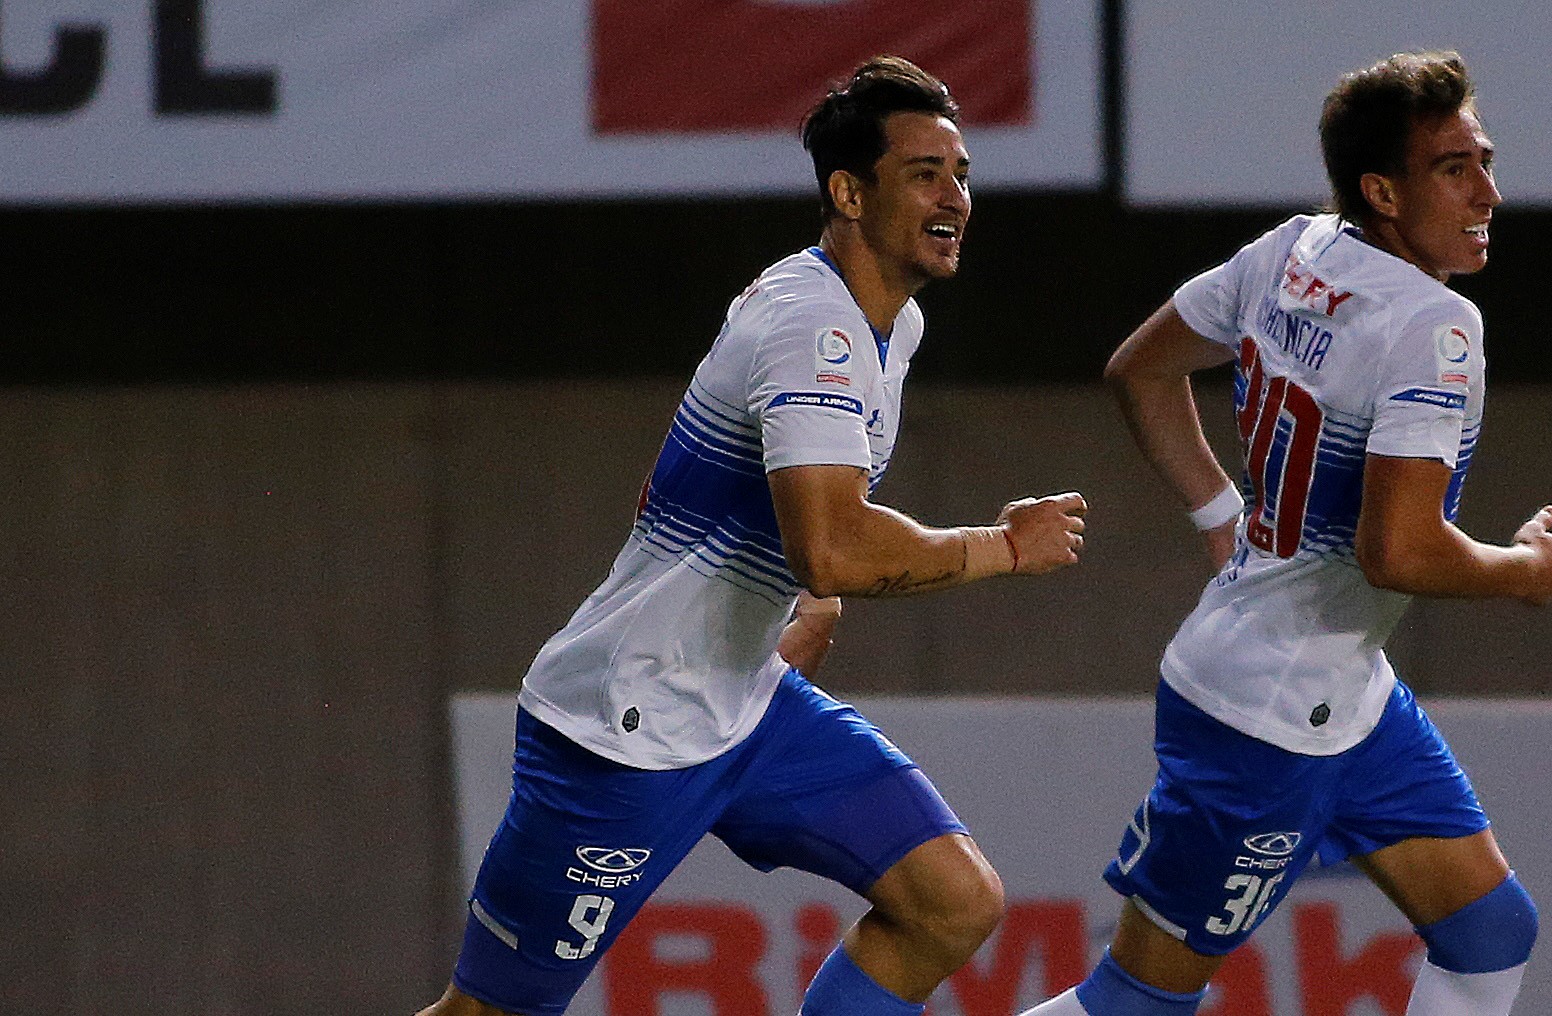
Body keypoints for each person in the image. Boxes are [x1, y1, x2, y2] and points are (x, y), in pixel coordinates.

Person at [418, 56, 1090, 1016]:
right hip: (625, 730)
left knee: (952, 903)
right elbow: (833, 548)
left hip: (747, 701)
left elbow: (790, 523)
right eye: (924, 174)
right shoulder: (811, 325)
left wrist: (788, 606)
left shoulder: (888, 326)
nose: (955, 198)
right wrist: (1005, 547)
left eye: (961, 174)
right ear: (848, 193)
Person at [1022, 51, 1552, 1016]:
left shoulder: (1293, 250)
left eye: (1485, 161)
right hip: (1266, 717)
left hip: (1345, 692)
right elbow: (1397, 551)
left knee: (1490, 932)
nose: (1488, 192)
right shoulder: (1436, 325)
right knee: (1137, 1000)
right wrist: (1522, 571)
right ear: (1382, 192)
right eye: (1454, 169)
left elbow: (1141, 369)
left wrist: (1221, 517)